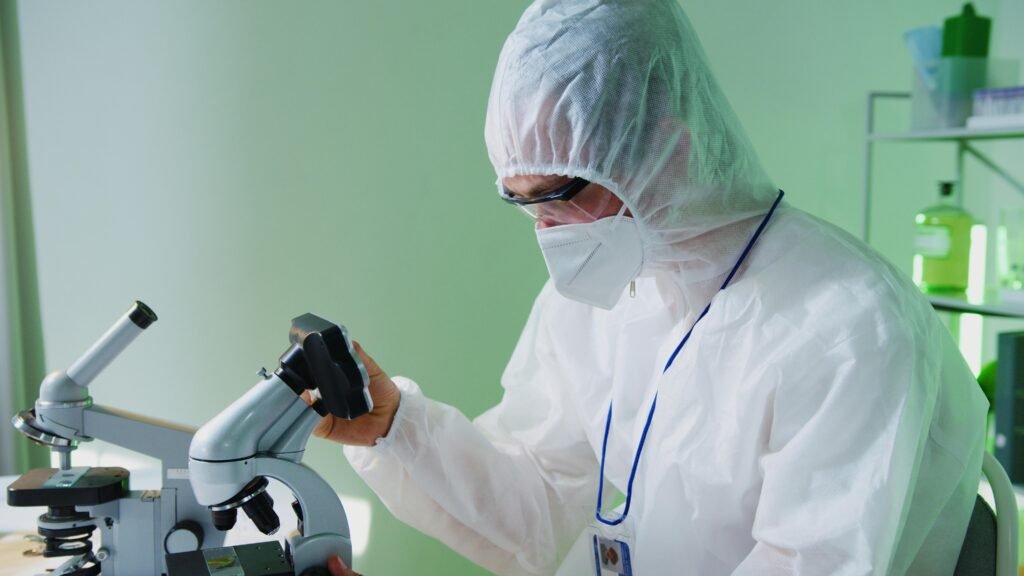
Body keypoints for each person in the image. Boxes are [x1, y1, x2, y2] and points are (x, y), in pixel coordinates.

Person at [324, 0, 988, 574]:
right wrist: (396, 430)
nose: (546, 230)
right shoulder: (598, 297)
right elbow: (539, 513)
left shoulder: (848, 327)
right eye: (522, 201)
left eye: (559, 195)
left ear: (665, 151)